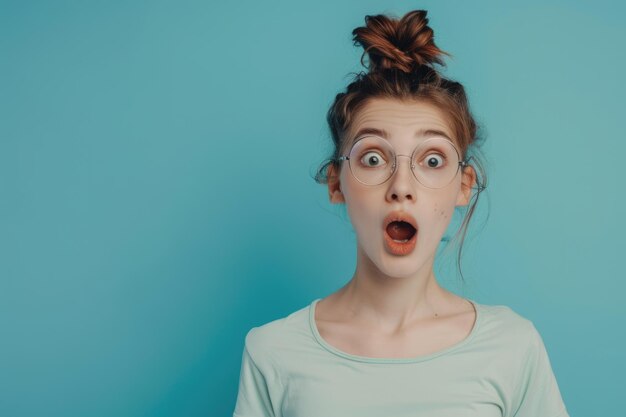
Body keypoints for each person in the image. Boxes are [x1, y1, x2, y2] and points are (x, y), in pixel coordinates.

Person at [233, 9, 569, 417]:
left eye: (432, 160)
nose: (401, 188)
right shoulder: (274, 352)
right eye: (373, 158)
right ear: (336, 183)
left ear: (463, 185)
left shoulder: (513, 348)